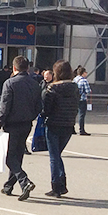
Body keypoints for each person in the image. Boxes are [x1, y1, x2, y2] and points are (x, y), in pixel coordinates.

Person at [0, 55, 42, 201]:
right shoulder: (34, 84)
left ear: (14, 68)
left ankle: (24, 181)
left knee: (8, 156)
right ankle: (9, 186)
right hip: (26, 124)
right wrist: (31, 116)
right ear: (27, 68)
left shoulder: (10, 83)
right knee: (18, 154)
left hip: (12, 124)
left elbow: (5, 105)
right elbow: (39, 106)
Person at [41, 61, 80, 196]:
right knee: (57, 155)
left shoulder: (52, 88)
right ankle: (62, 184)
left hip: (54, 124)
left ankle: (56, 186)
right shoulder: (74, 87)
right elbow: (77, 106)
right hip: (68, 124)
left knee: (54, 156)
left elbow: (46, 109)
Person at [73, 67, 91, 135]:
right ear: (83, 73)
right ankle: (81, 130)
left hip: (74, 99)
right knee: (81, 115)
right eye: (85, 72)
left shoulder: (74, 79)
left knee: (74, 114)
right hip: (82, 99)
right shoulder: (84, 81)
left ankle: (72, 129)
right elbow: (88, 91)